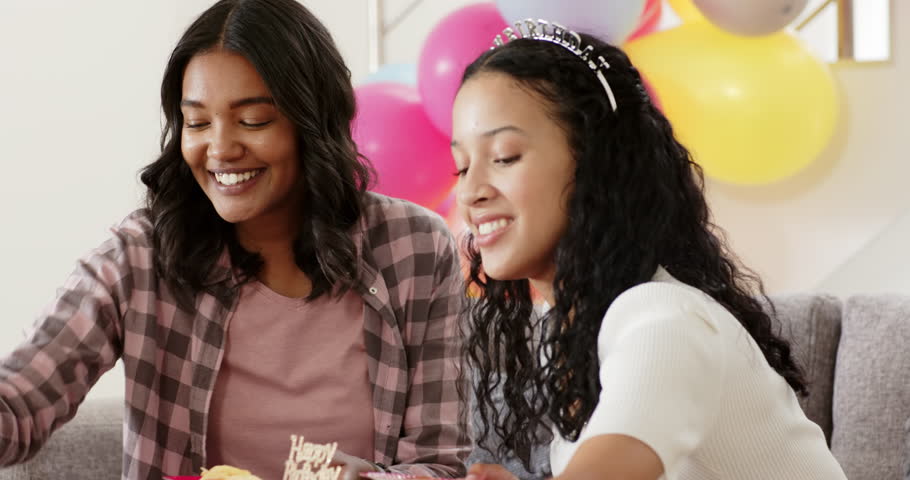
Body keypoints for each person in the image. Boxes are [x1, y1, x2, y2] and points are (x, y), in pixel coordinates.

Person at [0, 1, 469, 479]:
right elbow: (20, 403)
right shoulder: (139, 258)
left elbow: (440, 464)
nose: (220, 149)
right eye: (198, 123)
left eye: (253, 121)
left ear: (314, 122)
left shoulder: (415, 248)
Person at [452, 19, 847, 480]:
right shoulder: (568, 332)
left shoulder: (663, 318)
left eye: (504, 157)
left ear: (595, 164)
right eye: (461, 167)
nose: (469, 191)